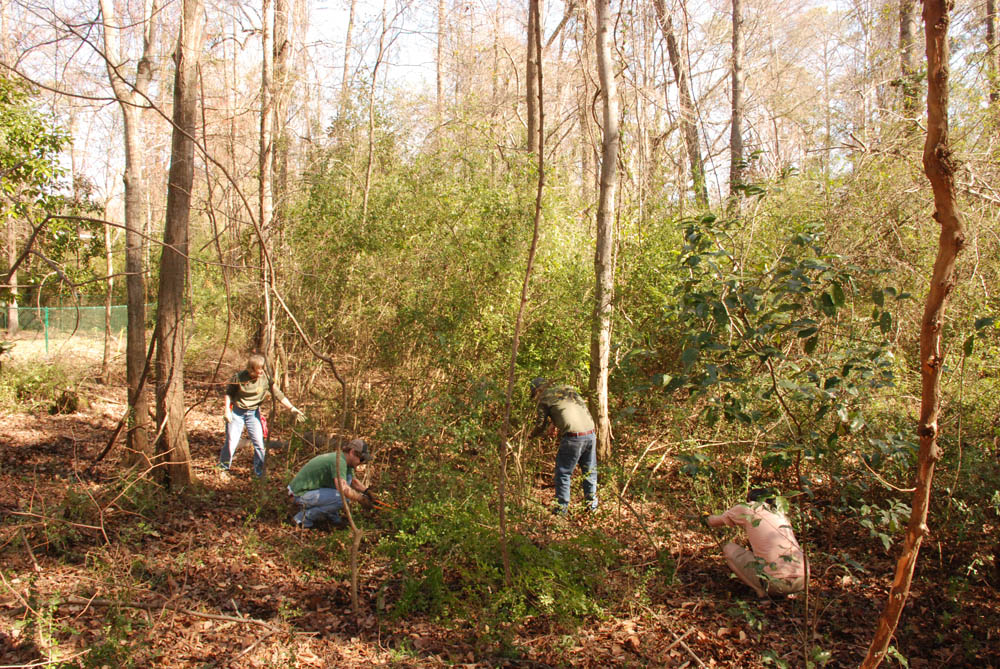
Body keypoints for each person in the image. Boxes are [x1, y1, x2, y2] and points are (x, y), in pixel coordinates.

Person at [704, 488, 808, 598]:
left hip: (776, 584)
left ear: (749, 500)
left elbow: (712, 521)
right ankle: (789, 593)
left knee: (728, 548)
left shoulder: (748, 507)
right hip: (803, 579)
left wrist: (704, 517)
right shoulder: (779, 512)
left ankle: (760, 591)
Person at [220, 353, 304, 479]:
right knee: (231, 442)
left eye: (262, 368)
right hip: (237, 412)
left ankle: (260, 473)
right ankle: (223, 468)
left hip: (253, 413)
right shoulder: (238, 377)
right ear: (251, 369)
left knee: (259, 443)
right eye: (258, 369)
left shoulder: (265, 379)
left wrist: (292, 408)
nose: (261, 371)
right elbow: (228, 394)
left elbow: (278, 394)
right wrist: (227, 410)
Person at [529, 377, 597, 514]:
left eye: (535, 394)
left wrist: (530, 436)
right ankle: (592, 508)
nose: (536, 398)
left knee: (563, 473)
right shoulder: (567, 389)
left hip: (573, 438)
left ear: (539, 390)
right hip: (591, 433)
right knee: (589, 471)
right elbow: (570, 409)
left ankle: (561, 510)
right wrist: (556, 423)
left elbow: (540, 424)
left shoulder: (544, 398)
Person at [287, 439, 373, 528]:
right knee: (343, 499)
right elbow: (343, 488)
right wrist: (360, 499)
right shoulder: (339, 461)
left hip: (310, 492)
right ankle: (301, 518)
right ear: (352, 452)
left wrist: (367, 491)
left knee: (348, 479)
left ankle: (332, 518)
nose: (361, 462)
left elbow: (354, 482)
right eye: (361, 459)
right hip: (299, 494)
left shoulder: (346, 462)